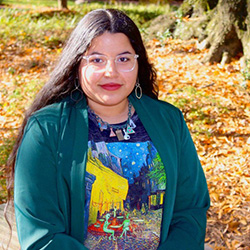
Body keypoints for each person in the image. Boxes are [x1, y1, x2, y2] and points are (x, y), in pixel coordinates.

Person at [8, 8, 210, 250]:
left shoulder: (169, 120)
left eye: (123, 59)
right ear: (76, 64)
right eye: (96, 59)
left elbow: (190, 210)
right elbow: (42, 234)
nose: (111, 72)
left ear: (138, 62)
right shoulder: (46, 129)